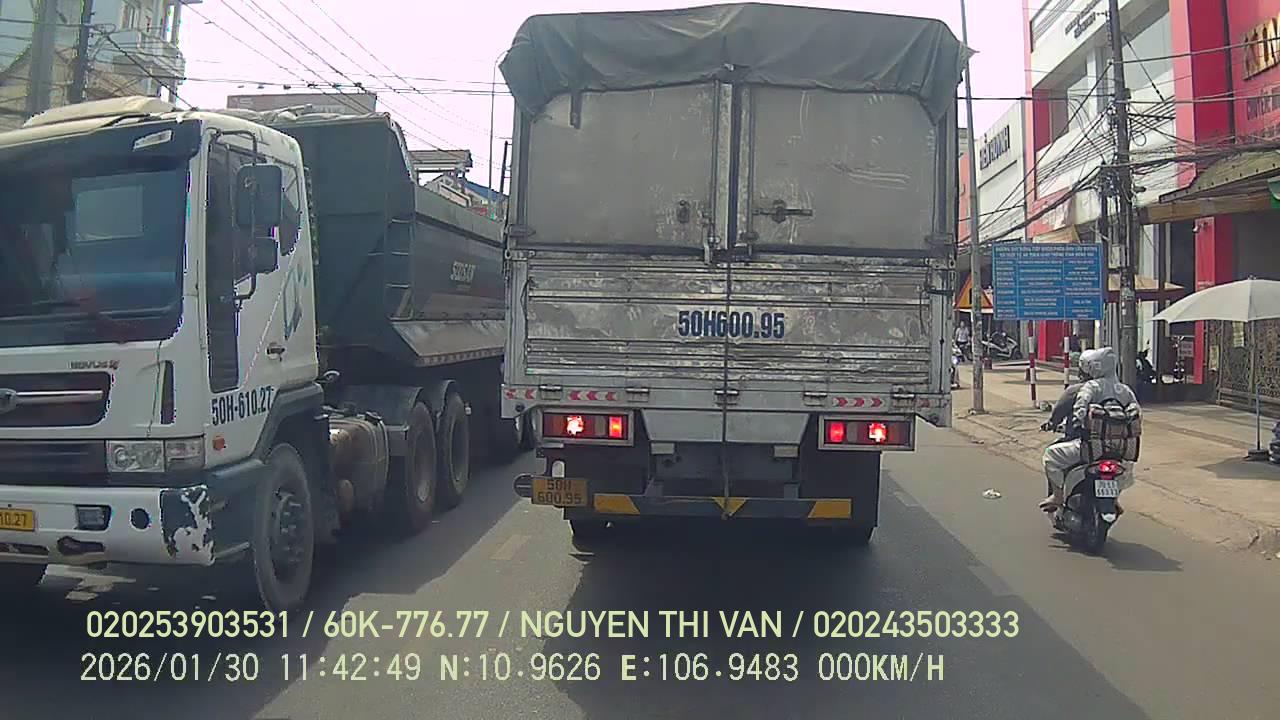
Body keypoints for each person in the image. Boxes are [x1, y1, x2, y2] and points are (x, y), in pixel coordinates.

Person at [1040, 347, 1140, 511]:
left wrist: (1076, 423)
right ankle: (1113, 499)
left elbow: (1077, 409)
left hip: (1090, 448)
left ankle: (1057, 496)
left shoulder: (1088, 387)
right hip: (1119, 450)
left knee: (1050, 456)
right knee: (1124, 470)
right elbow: (1137, 415)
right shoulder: (1125, 390)